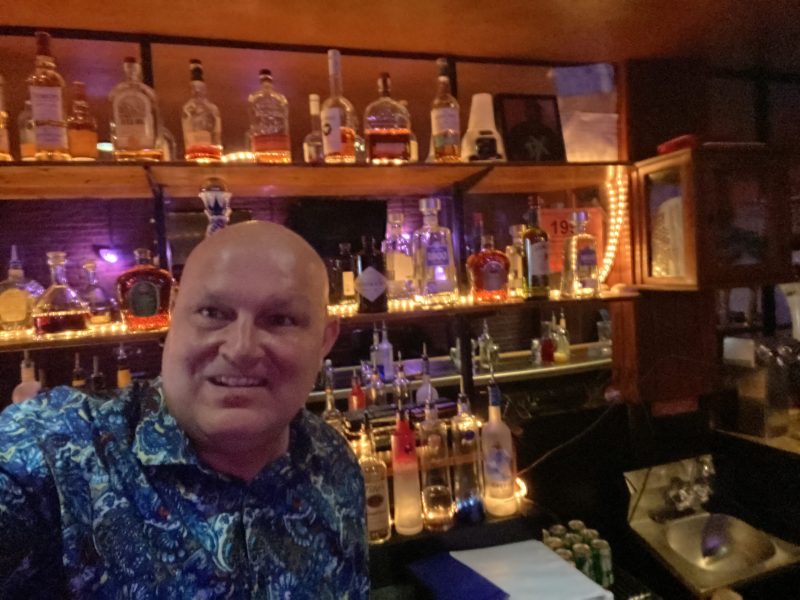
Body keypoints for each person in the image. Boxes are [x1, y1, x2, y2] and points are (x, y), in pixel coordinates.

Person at [0, 221, 369, 598]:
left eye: (281, 320)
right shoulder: (56, 451)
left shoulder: (332, 459)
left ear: (325, 340)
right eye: (212, 312)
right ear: (173, 315)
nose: (241, 349)